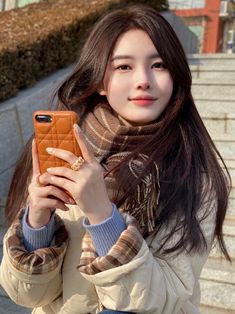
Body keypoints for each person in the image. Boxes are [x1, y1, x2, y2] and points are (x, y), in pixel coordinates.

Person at [0, 4, 231, 314]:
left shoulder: (193, 173)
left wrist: (102, 215)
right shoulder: (64, 156)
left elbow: (171, 297)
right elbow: (29, 296)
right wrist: (37, 223)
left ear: (176, 74)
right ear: (99, 81)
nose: (143, 80)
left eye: (159, 65)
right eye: (124, 67)